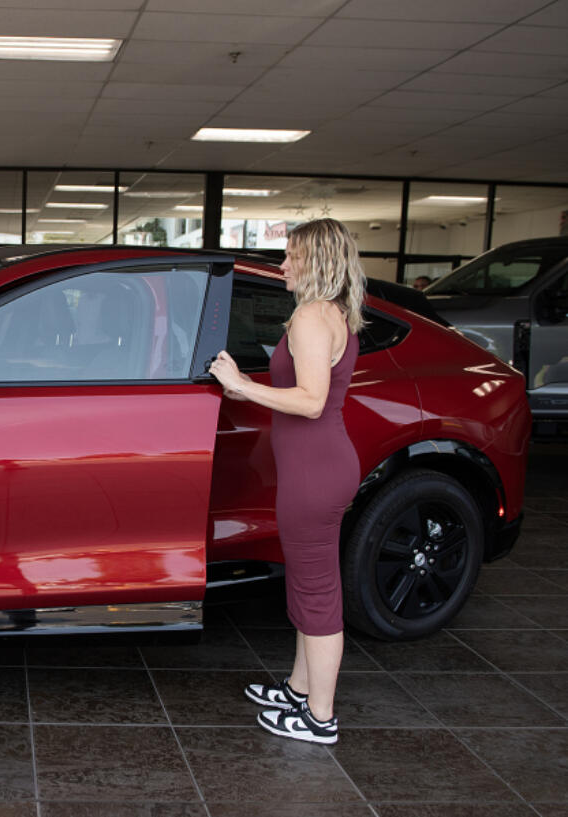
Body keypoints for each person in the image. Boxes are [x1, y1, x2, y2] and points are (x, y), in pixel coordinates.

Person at [208, 218, 365, 745]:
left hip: (316, 474)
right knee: (307, 583)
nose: (282, 267)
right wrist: (245, 386)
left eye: (292, 258)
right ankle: (301, 689)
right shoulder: (330, 314)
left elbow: (311, 400)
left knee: (317, 592)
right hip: (317, 468)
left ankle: (319, 718)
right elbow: (304, 392)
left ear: (316, 261)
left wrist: (242, 387)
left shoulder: (312, 318)